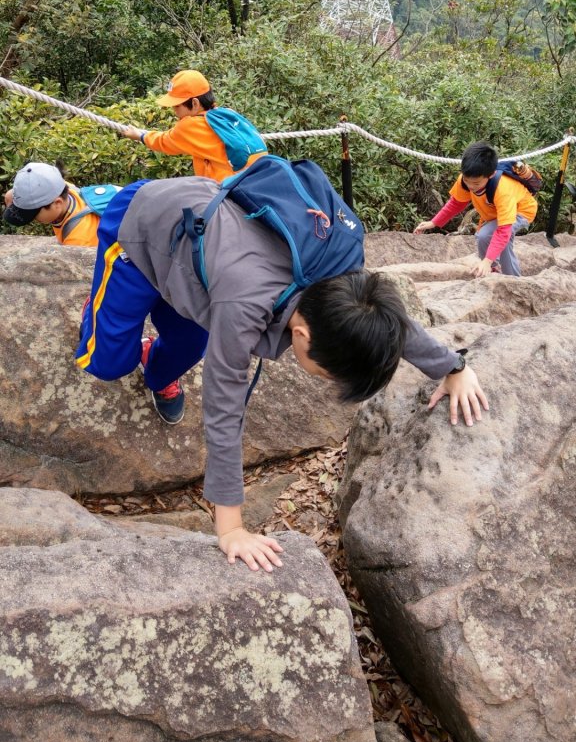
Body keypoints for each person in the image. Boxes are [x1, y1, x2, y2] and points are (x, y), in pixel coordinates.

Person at [76, 176, 489, 574]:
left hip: (200, 250)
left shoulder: (340, 273)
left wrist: (453, 367)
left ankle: (153, 352)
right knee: (109, 363)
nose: (325, 381)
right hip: (141, 229)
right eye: (327, 374)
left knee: (188, 345)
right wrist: (231, 527)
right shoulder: (243, 304)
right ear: (304, 335)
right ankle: (100, 312)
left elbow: (381, 320)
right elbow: (224, 407)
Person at [414, 140, 537, 277]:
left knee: (489, 235)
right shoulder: (467, 179)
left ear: (490, 175)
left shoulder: (503, 189)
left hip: (522, 210)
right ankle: (494, 269)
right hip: (495, 214)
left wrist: (487, 260)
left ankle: (510, 277)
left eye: (476, 183)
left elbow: (503, 230)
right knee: (485, 236)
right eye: (467, 181)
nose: (471, 186)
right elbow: (456, 203)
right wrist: (434, 222)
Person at [120, 69, 267, 182]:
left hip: (229, 188)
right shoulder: (227, 113)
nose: (174, 111)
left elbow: (164, 142)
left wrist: (140, 135)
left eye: (176, 106)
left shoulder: (190, 125)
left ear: (195, 103)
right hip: (259, 177)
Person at [3, 162, 104, 247]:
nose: (33, 220)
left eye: (34, 214)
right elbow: (9, 195)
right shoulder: (60, 186)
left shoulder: (79, 240)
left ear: (57, 203)